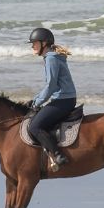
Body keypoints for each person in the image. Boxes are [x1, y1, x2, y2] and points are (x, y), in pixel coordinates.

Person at [27, 26, 77, 172]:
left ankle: (58, 155)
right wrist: (35, 99)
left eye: (34, 43)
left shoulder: (51, 59)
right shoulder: (52, 57)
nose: (32, 46)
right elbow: (50, 86)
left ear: (44, 43)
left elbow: (51, 86)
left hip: (63, 101)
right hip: (65, 99)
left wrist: (37, 102)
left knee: (34, 127)